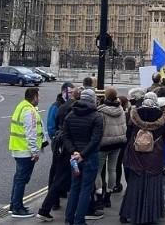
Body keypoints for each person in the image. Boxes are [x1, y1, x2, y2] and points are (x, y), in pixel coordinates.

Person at [119, 92, 165, 224]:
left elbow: (128, 134)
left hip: (136, 155)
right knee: (152, 185)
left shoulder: (134, 115)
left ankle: (127, 213)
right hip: (154, 156)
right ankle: (150, 216)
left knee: (134, 184)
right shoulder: (162, 117)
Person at [62, 88, 104, 224]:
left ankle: (69, 219)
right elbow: (96, 139)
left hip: (74, 158)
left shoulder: (70, 115)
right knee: (86, 189)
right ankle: (79, 221)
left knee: (74, 187)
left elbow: (65, 136)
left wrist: (74, 152)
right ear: (93, 100)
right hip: (89, 157)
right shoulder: (97, 116)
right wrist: (83, 154)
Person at [37, 83, 75, 222]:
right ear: (63, 92)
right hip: (62, 147)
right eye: (69, 92)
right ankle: (51, 204)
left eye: (72, 92)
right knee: (57, 176)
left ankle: (51, 204)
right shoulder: (57, 106)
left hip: (66, 146)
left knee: (63, 177)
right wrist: (56, 140)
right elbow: (51, 127)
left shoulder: (68, 107)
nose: (70, 94)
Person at [8, 87, 44, 218]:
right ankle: (17, 208)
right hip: (25, 151)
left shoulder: (21, 106)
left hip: (18, 148)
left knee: (18, 179)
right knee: (22, 179)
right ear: (34, 97)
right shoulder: (29, 110)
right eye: (38, 96)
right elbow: (31, 133)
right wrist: (35, 152)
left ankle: (14, 205)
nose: (39, 99)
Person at [95, 86, 127, 209]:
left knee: (98, 171)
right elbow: (124, 127)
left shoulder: (101, 111)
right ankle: (108, 196)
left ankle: (99, 196)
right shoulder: (121, 109)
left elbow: (99, 129)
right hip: (118, 143)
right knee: (112, 169)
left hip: (104, 144)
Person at [113, 95, 131, 194]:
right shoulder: (127, 114)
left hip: (120, 141)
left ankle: (117, 183)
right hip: (122, 141)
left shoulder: (122, 114)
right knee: (120, 164)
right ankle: (119, 183)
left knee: (118, 164)